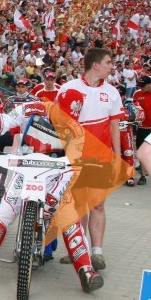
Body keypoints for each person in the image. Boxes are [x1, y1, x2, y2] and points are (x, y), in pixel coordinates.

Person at [0, 101, 104, 293]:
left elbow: (74, 166)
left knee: (69, 216)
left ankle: (86, 271)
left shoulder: (77, 130)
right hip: (24, 170)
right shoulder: (32, 107)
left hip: (55, 175)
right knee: (4, 212)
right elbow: (1, 120)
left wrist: (55, 196)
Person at [55, 47, 123, 271]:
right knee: (77, 205)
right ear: (96, 65)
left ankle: (97, 253)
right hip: (75, 157)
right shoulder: (69, 88)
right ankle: (78, 248)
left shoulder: (113, 92)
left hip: (101, 158)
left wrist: (118, 156)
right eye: (108, 62)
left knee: (98, 205)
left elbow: (115, 126)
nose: (112, 66)